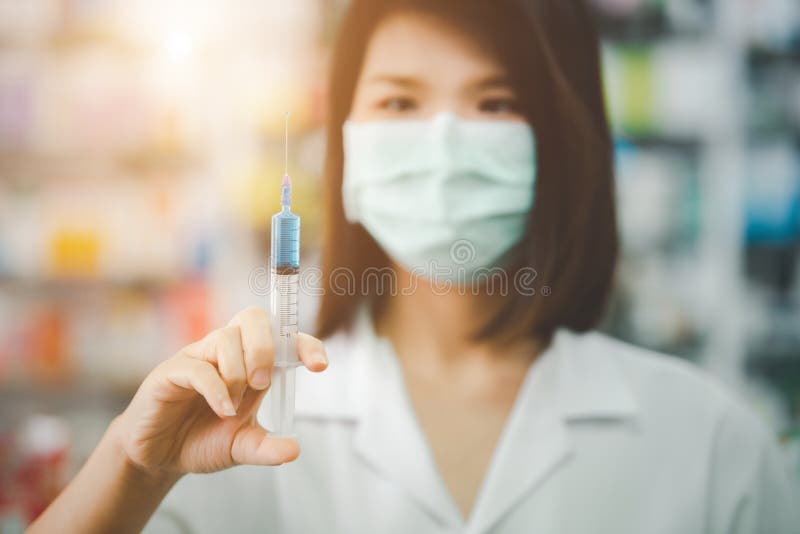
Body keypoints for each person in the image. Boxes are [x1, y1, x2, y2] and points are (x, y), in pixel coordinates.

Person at [29, 1, 800, 533]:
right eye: (400, 103)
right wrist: (130, 467)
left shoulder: (707, 442)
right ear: (347, 146)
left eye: (495, 103)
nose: (443, 144)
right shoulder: (238, 428)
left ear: (564, 140)